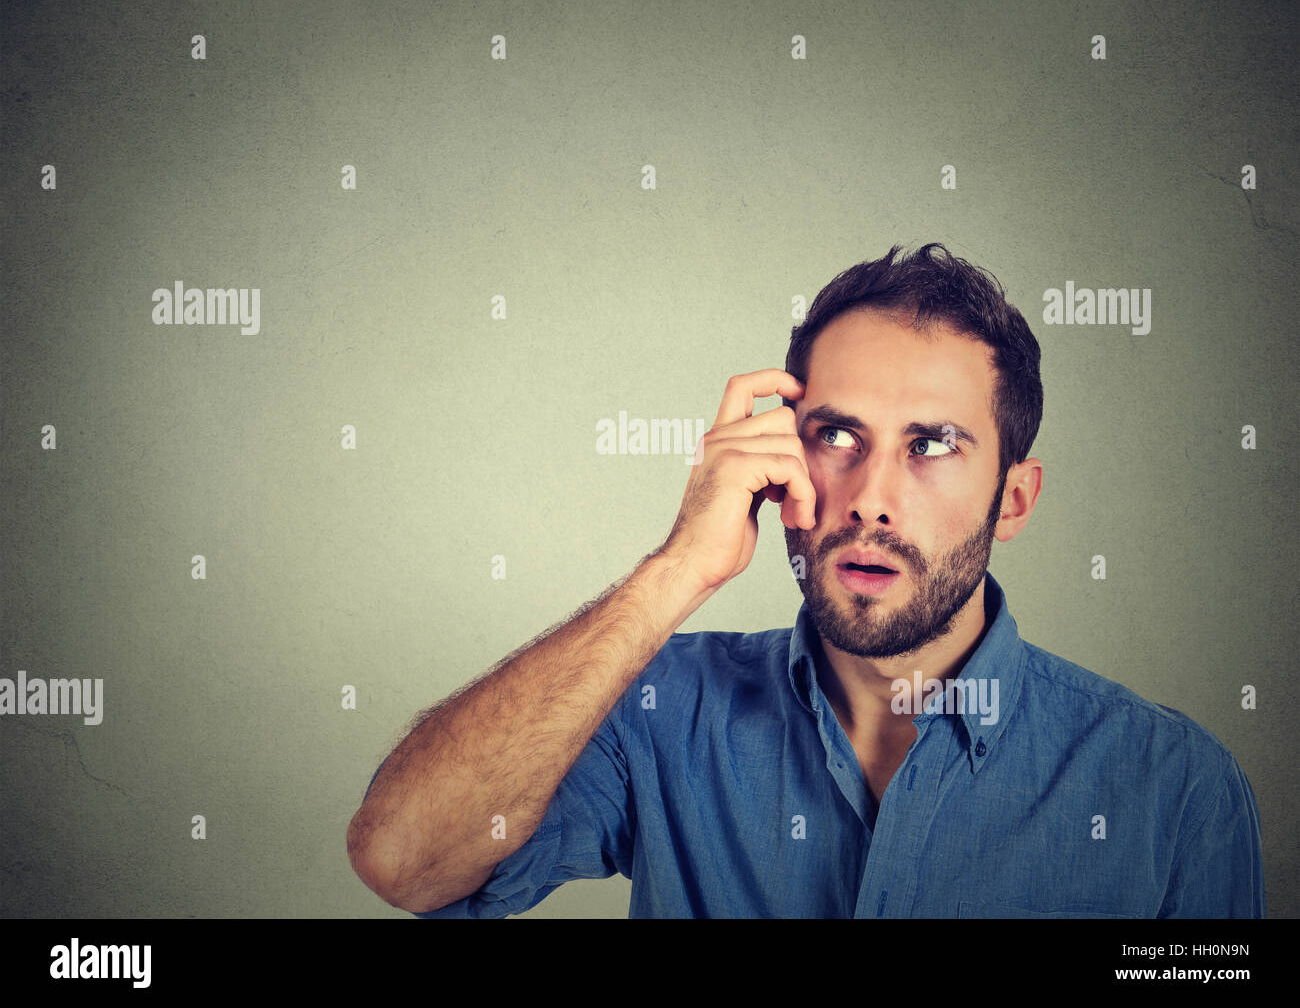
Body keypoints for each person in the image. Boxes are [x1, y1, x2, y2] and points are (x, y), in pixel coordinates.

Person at [346, 243, 1265, 918]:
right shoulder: (659, 710)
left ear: (1013, 501)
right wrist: (675, 571)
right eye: (837, 436)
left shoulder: (1172, 789)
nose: (871, 500)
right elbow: (402, 859)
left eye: (932, 447)